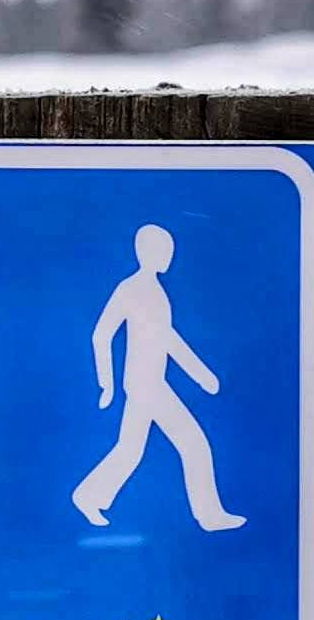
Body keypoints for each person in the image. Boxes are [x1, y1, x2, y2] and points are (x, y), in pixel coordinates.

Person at [75, 223, 241, 530]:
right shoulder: (131, 289)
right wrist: (106, 384)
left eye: (170, 250)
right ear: (146, 252)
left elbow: (167, 339)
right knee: (191, 443)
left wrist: (202, 376)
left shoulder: (156, 292)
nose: (169, 256)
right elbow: (101, 334)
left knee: (133, 450)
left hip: (152, 384)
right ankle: (209, 516)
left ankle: (88, 496)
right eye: (164, 250)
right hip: (144, 385)